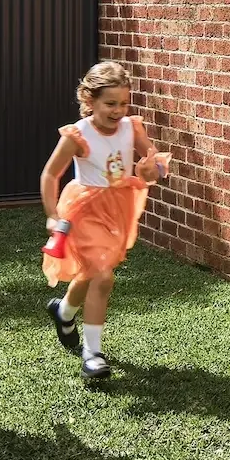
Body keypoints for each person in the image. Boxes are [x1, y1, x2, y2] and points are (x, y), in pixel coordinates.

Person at [40, 60, 168, 387]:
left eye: (123, 103)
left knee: (92, 272)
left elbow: (152, 162)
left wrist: (153, 170)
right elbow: (50, 174)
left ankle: (65, 312)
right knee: (103, 275)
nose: (118, 110)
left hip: (118, 207)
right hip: (84, 209)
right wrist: (53, 215)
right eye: (110, 104)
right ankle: (92, 354)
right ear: (90, 99)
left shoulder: (132, 127)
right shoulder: (77, 135)